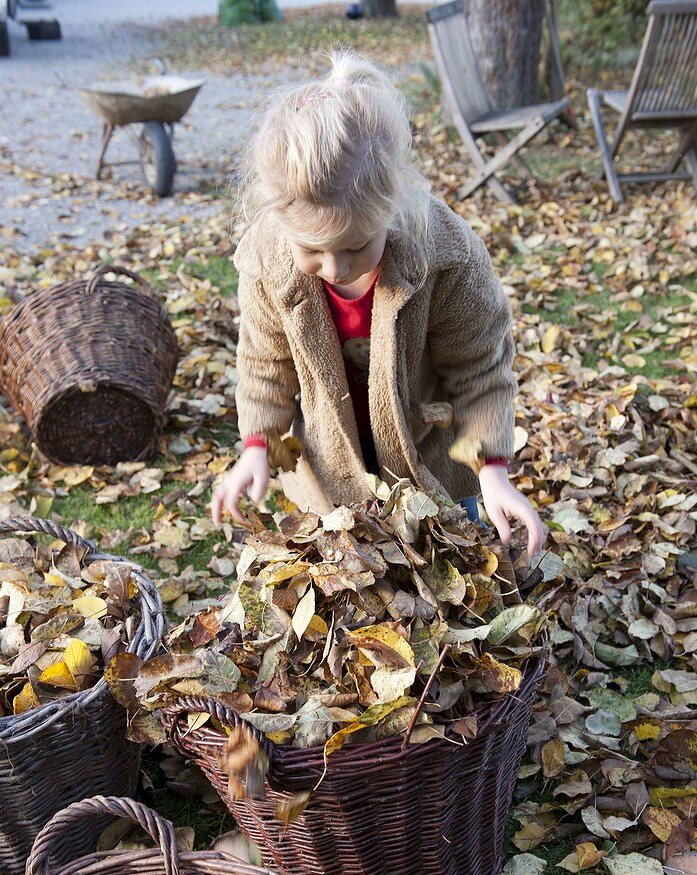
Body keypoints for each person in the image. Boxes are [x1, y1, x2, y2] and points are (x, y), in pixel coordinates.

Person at [211, 52, 544, 557]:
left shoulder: (446, 255)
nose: (337, 268)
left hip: (433, 467)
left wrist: (492, 470)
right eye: (312, 251)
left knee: (450, 593)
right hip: (327, 479)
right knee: (347, 603)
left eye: (355, 247)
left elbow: (480, 369)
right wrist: (259, 445)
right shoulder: (266, 261)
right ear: (281, 226)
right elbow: (264, 363)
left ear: (392, 208)